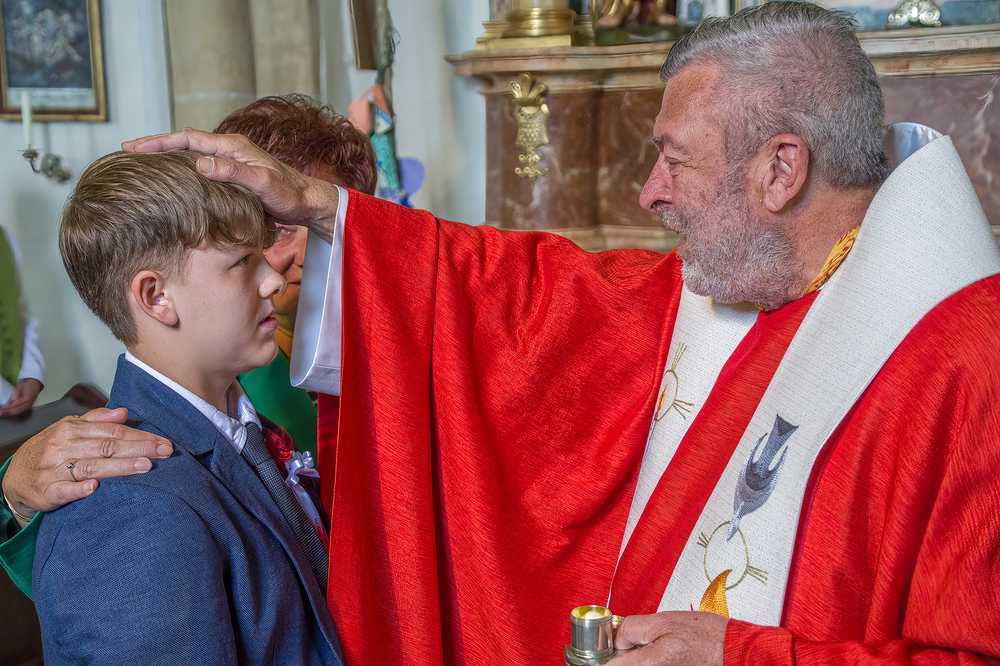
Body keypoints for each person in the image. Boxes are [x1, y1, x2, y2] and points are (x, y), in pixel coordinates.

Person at [8, 3, 1000, 664]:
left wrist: (739, 655)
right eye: (245, 257)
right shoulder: (731, 285)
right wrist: (332, 215)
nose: (649, 193)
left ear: (780, 171)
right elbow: (514, 303)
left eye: (675, 159)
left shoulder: (964, 362)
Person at [0, 94, 377, 600]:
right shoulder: (212, 372)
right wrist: (14, 494)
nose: (308, 254)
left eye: (327, 225)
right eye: (280, 228)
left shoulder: (383, 344)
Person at [27, 150, 344, 664]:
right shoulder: (131, 511)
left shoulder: (240, 428)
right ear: (156, 297)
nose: (274, 279)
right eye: (242, 262)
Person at [0, 224, 44, 416]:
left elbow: (19, 310)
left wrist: (31, 373)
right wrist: (5, 395)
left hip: (14, 402)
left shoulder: (4, 237)